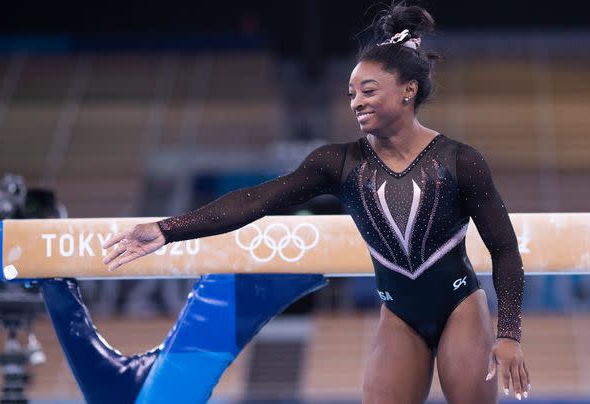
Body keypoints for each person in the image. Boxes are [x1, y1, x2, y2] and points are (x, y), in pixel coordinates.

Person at [103, 3, 530, 403]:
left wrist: (508, 333)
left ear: (408, 91)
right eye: (350, 94)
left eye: (368, 90)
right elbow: (255, 201)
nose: (356, 102)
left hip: (459, 306)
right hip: (399, 313)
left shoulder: (458, 161)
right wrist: (165, 229)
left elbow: (505, 249)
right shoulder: (339, 163)